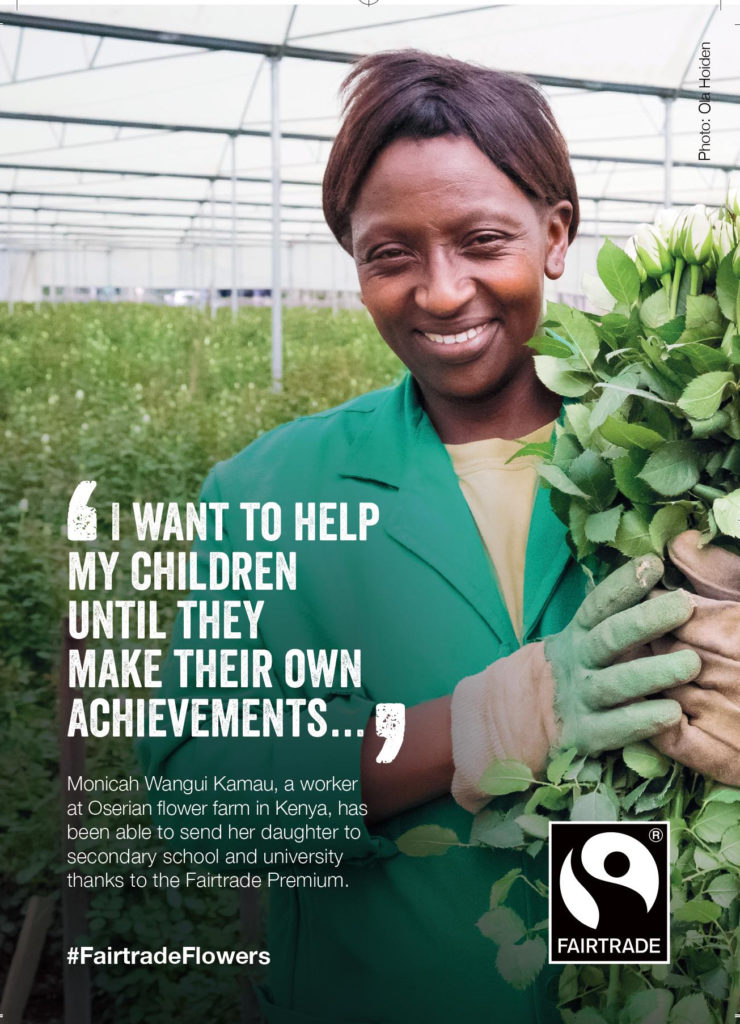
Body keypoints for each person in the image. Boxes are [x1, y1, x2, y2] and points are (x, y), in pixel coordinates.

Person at [139, 50, 739, 1023]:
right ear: (353, 261)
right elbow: (202, 793)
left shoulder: (689, 459)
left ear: (554, 235)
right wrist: (477, 723)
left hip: (639, 993)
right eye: (391, 254)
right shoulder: (269, 489)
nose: (441, 290)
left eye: (481, 240)